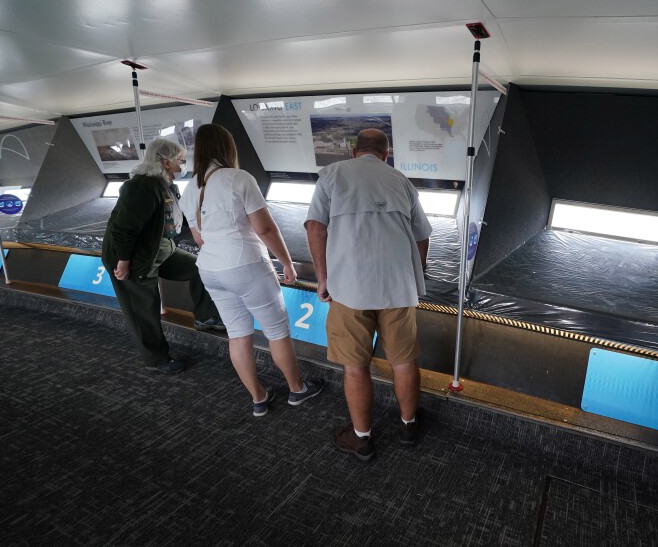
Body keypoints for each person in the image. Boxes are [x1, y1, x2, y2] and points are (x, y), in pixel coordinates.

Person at [305, 128, 432, 461]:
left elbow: (315, 226)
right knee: (403, 361)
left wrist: (323, 279)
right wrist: (414, 274)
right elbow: (422, 236)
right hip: (398, 288)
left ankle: (361, 438)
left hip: (349, 288)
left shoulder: (331, 175)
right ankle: (408, 426)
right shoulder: (402, 181)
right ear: (386, 154)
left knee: (355, 365)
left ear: (353, 150)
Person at [180, 123, 323, 417]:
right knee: (276, 331)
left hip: (210, 269)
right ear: (226, 148)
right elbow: (266, 228)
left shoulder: (190, 187)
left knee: (238, 334)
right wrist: (285, 261)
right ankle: (297, 389)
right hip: (245, 264)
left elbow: (198, 238)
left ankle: (258, 398)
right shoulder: (238, 178)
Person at [102, 138, 225, 374]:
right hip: (134, 258)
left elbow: (174, 220)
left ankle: (206, 317)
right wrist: (124, 261)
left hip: (160, 249)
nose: (183, 164)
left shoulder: (166, 185)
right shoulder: (141, 186)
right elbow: (124, 229)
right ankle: (156, 359)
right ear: (164, 161)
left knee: (199, 268)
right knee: (144, 309)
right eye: (179, 160)